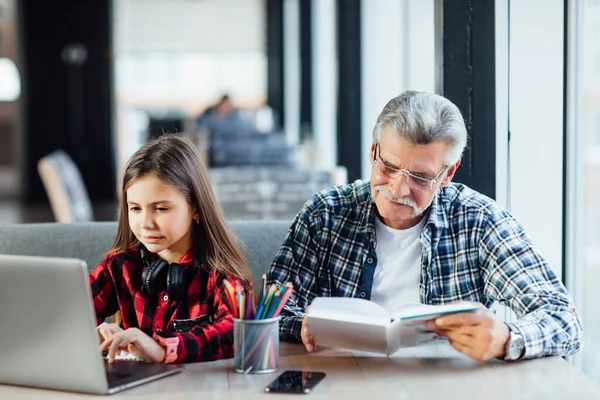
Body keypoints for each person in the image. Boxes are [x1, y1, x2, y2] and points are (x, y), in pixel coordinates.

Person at [267, 90, 582, 361]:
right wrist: (305, 325)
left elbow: (565, 319)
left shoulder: (480, 221)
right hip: (343, 377)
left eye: (420, 177)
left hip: (447, 384)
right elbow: (271, 310)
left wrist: (508, 338)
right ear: (373, 152)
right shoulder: (326, 214)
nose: (398, 189)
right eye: (388, 167)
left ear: (447, 174)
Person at [89, 134, 252, 363]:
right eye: (135, 208)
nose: (145, 223)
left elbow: (237, 331)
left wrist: (162, 349)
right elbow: (63, 318)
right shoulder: (119, 267)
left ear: (196, 207)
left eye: (161, 209)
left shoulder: (221, 277)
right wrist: (89, 335)